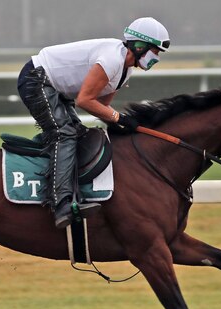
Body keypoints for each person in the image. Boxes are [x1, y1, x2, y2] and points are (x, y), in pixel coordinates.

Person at [17, 17, 170, 229]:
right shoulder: (111, 60)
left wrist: (122, 123)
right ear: (139, 46)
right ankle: (60, 203)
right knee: (64, 134)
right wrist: (119, 118)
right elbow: (84, 101)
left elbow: (101, 107)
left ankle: (75, 193)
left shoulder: (126, 71)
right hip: (36, 78)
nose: (157, 58)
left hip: (55, 88)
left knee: (79, 134)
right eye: (155, 51)